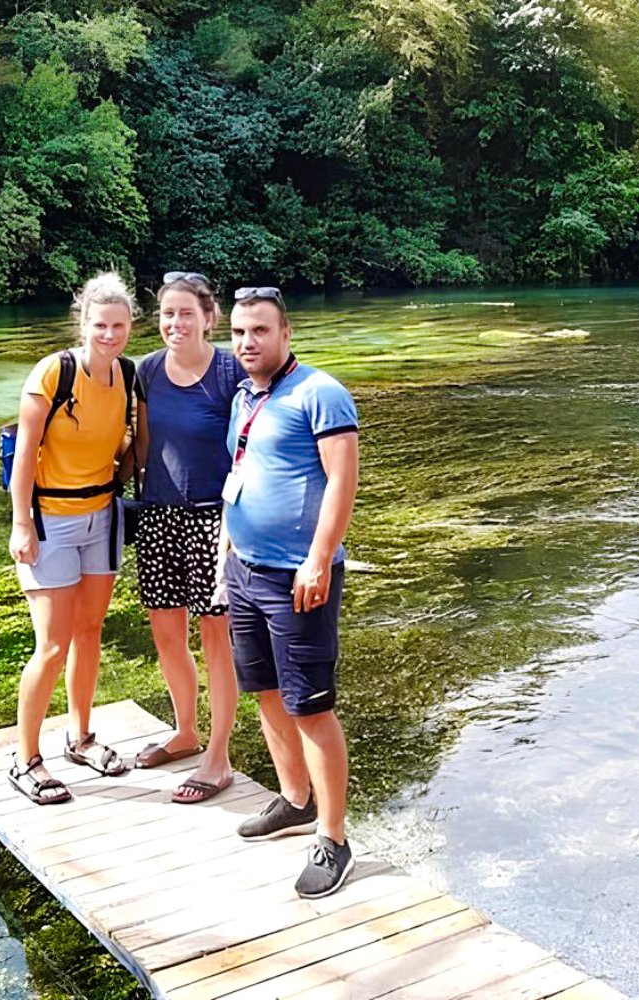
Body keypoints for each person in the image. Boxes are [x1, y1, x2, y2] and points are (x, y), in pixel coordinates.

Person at [220, 285, 360, 899]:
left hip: (296, 576)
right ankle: (295, 799)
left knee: (310, 705)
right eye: (239, 333)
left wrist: (318, 560)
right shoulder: (244, 395)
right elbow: (243, 473)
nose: (248, 343)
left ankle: (333, 839)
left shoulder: (321, 393)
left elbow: (341, 480)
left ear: (286, 334)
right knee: (266, 692)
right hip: (244, 569)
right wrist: (227, 545)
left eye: (259, 331)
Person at [6, 272, 139, 805]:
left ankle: (80, 738)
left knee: (89, 632)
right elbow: (23, 454)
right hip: (50, 520)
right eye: (99, 324)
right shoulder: (53, 373)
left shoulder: (127, 376)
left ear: (131, 327)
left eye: (119, 325)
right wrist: (20, 523)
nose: (109, 334)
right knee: (52, 644)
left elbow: (125, 449)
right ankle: (25, 759)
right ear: (83, 323)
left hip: (102, 517)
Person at [130, 271, 244, 803]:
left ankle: (218, 756)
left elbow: (251, 445)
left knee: (217, 638)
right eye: (167, 314)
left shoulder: (229, 371)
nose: (175, 323)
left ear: (209, 317)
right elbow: (143, 448)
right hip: (157, 516)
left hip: (214, 520)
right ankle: (185, 732)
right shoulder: (147, 371)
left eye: (185, 314)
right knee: (166, 634)